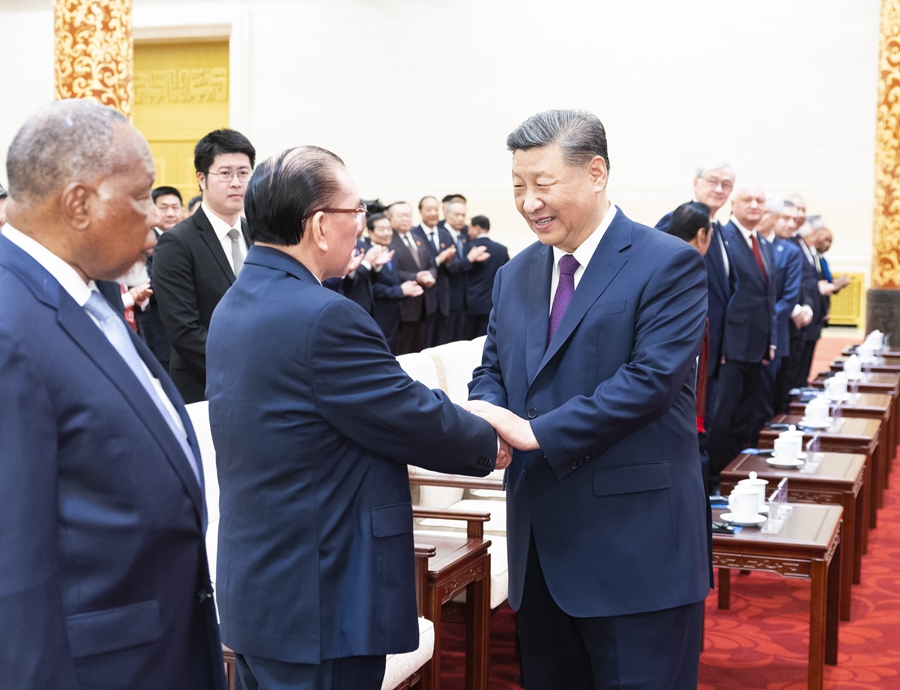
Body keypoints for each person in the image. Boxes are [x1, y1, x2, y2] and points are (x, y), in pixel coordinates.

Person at [206, 145, 508, 690]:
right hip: (322, 595)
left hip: (264, 590)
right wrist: (493, 440)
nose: (361, 225)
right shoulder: (324, 317)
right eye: (356, 212)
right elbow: (407, 414)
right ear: (320, 226)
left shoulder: (236, 303)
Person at [464, 109, 710, 690]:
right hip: (540, 555)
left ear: (596, 173)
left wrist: (536, 432)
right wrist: (486, 419)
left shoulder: (666, 263)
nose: (529, 203)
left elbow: (649, 382)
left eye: (543, 184)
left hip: (636, 553)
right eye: (518, 186)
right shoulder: (515, 274)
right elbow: (492, 370)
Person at [0, 99, 223, 689]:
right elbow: (13, 570)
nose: (155, 218)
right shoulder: (9, 325)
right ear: (78, 203)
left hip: (159, 644)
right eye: (141, 197)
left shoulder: (86, 291)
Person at [152, 129, 255, 402]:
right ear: (202, 178)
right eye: (225, 173)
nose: (236, 183)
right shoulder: (177, 243)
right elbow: (184, 331)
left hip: (259, 386)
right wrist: (243, 369)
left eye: (244, 173)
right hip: (204, 386)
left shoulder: (258, 235)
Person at [655, 162, 736, 476]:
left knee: (709, 420)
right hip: (684, 342)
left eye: (726, 184)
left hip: (714, 344)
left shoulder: (721, 230)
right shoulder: (678, 220)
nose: (719, 189)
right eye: (713, 181)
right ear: (696, 183)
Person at [708, 184, 777, 486]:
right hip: (730, 346)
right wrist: (720, 344)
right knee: (721, 418)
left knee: (743, 419)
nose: (754, 205)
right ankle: (714, 477)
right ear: (733, 204)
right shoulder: (722, 238)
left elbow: (768, 297)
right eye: (747, 200)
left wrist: (771, 340)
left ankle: (734, 475)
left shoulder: (762, 242)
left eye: (759, 201)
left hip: (757, 345)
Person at [753, 197, 802, 433]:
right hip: (741, 337)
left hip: (772, 334)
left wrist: (763, 320)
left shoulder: (789, 251)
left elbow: (789, 298)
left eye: (763, 212)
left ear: (772, 218)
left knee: (765, 398)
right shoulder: (745, 245)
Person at [367, 213, 423, 350]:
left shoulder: (390, 251)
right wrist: (400, 291)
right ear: (370, 232)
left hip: (395, 319)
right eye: (381, 229)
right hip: (377, 318)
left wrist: (409, 285)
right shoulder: (367, 254)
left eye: (389, 229)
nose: (387, 233)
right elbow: (370, 288)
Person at [386, 201, 435, 353]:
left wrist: (430, 276)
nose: (405, 219)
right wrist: (416, 277)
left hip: (423, 306)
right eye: (401, 215)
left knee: (419, 351)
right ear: (390, 218)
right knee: (403, 352)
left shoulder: (418, 238)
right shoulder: (388, 241)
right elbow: (391, 272)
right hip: (402, 308)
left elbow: (431, 263)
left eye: (408, 215)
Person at [412, 195, 455, 345]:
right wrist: (438, 260)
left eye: (436, 209)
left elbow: (453, 266)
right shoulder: (414, 234)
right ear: (420, 212)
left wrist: (448, 261)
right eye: (429, 209)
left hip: (443, 298)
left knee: (442, 342)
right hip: (422, 301)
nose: (433, 213)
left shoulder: (445, 235)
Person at [465, 214, 509, 338]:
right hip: (492, 301)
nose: (468, 232)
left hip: (471, 302)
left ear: (477, 228)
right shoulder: (501, 249)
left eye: (470, 228)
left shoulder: (468, 248)